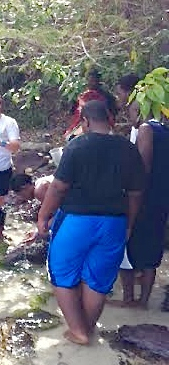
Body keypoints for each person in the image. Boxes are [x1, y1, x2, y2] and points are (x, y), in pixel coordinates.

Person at [37, 100, 145, 345]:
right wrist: (128, 224)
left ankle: (78, 331)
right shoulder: (128, 148)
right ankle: (88, 327)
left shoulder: (78, 146)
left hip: (78, 221)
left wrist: (43, 216)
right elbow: (136, 193)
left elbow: (58, 187)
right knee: (98, 278)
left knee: (62, 272)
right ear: (109, 120)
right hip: (114, 224)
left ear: (84, 122)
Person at [113, 119, 169, 309]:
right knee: (151, 251)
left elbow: (141, 170)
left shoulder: (146, 129)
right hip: (160, 199)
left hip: (141, 199)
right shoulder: (164, 130)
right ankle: (144, 301)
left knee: (125, 247)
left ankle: (128, 299)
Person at [64, 68, 117, 139]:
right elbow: (74, 114)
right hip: (83, 126)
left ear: (99, 81)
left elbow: (112, 114)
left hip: (102, 126)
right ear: (87, 81)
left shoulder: (107, 97)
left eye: (95, 81)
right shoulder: (82, 96)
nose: (93, 83)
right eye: (90, 81)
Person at [115, 73, 140, 138]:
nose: (117, 98)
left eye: (118, 94)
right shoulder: (124, 112)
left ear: (128, 94)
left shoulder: (135, 106)